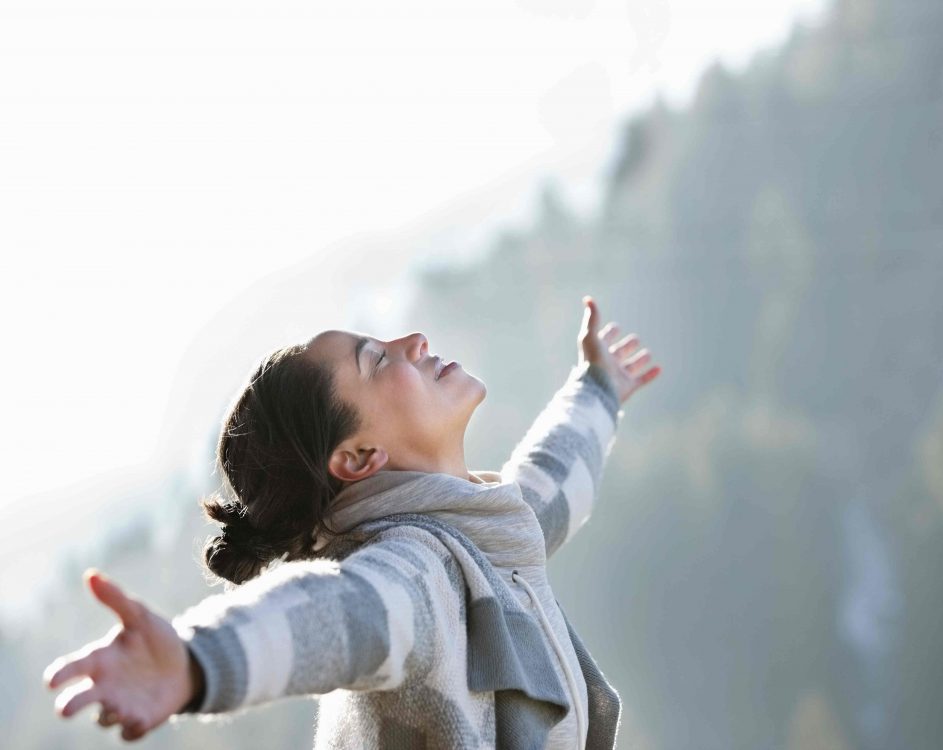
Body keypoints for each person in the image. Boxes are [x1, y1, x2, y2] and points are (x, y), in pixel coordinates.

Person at [42, 294, 661, 748]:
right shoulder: (417, 573)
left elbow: (545, 493)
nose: (413, 342)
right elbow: (337, 613)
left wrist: (598, 391)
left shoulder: (480, 538)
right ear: (359, 457)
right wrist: (198, 661)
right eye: (375, 360)